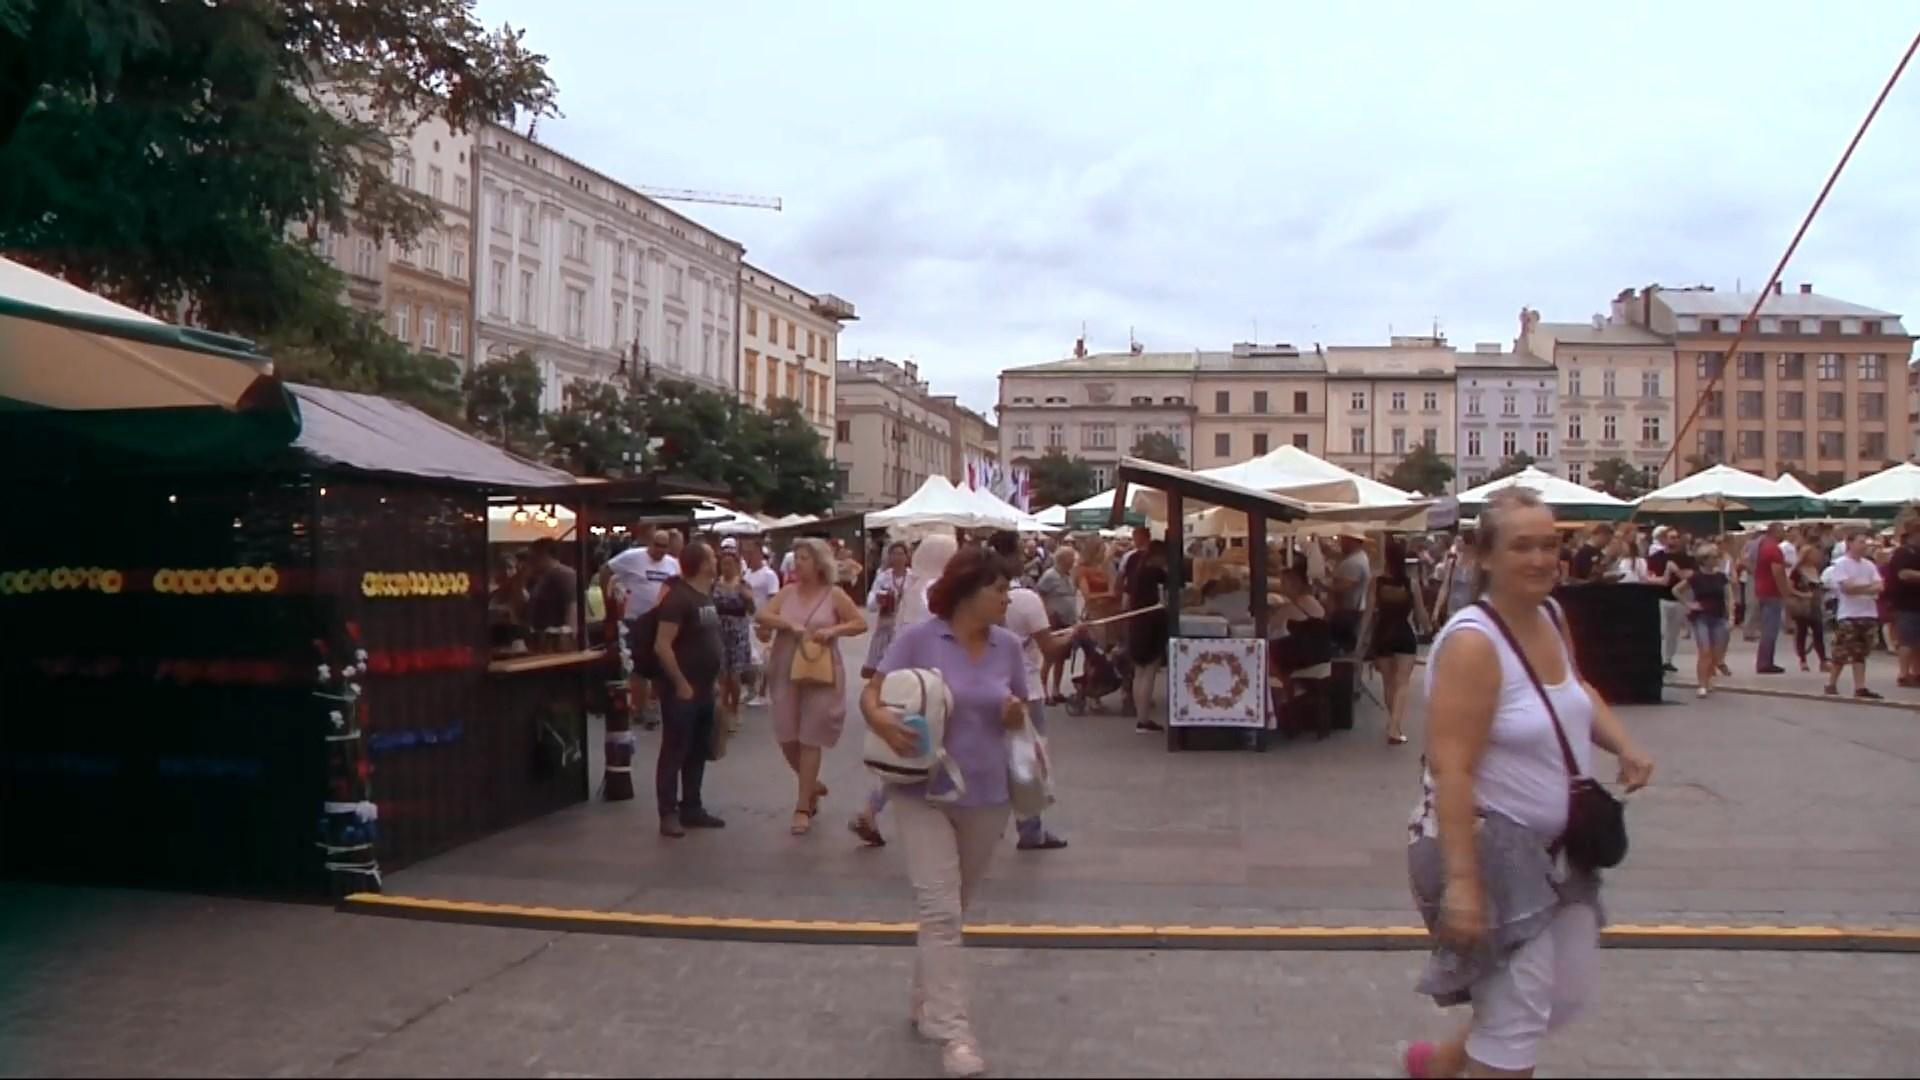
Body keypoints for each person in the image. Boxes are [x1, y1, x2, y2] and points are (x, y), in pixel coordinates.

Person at [1403, 488, 1654, 1080]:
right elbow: (1451, 768)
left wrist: (1623, 743)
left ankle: (1437, 1065)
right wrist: (1464, 884)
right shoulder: (1472, 644)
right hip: (1496, 855)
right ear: (1484, 556)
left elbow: (1576, 690)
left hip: (1560, 853)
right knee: (1515, 1020)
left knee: (1563, 995)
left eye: (1550, 545)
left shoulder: (1549, 615)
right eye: (1523, 547)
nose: (1542, 559)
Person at [861, 547, 1030, 1079]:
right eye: (999, 589)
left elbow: (1024, 709)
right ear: (967, 592)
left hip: (988, 794)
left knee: (954, 905)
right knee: (941, 912)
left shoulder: (1008, 646)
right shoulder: (918, 638)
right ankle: (954, 1032)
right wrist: (884, 722)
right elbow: (872, 692)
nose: (1008, 598)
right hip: (922, 791)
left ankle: (925, 995)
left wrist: (1014, 714)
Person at [849, 533, 959, 848]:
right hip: (933, 680)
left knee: (911, 744)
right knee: (929, 746)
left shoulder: (914, 586)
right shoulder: (936, 590)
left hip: (905, 677)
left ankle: (870, 810)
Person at [758, 537, 868, 835]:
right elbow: (763, 614)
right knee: (786, 735)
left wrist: (833, 630)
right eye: (796, 557)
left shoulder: (834, 594)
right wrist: (786, 625)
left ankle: (802, 805)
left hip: (820, 669)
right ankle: (812, 785)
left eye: (804, 557)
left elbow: (859, 623)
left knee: (810, 736)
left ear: (819, 563)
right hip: (784, 667)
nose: (798, 562)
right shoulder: (787, 592)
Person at [988, 531, 1075, 851]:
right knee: (1027, 759)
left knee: (987, 756)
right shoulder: (1025, 600)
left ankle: (987, 823)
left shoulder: (972, 598)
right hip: (1025, 688)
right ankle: (1030, 828)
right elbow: (1049, 647)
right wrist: (1071, 636)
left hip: (984, 686)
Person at [651, 541, 726, 838]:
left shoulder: (704, 596)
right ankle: (667, 812)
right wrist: (680, 682)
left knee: (697, 749)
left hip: (704, 687)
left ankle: (691, 806)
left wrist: (715, 680)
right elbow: (662, 644)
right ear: (703, 563)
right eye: (712, 556)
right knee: (675, 749)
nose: (717, 560)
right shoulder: (678, 598)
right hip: (682, 689)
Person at [603, 527, 681, 728]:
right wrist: (608, 596)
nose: (660, 550)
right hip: (635, 619)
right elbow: (606, 569)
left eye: (664, 547)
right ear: (650, 544)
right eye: (657, 545)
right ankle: (639, 706)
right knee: (637, 665)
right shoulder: (632, 557)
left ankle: (653, 705)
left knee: (659, 664)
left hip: (661, 620)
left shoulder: (673, 564)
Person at [1370, 536, 1427, 745]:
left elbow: (1368, 613)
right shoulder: (1411, 583)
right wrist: (1429, 627)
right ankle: (1394, 727)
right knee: (1402, 683)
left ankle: (1393, 723)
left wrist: (1361, 643)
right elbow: (1420, 613)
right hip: (1404, 634)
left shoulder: (1376, 583)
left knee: (1388, 682)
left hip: (1383, 634)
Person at [1822, 531, 1885, 700]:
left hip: (1868, 613)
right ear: (1849, 543)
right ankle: (1831, 683)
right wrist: (1868, 588)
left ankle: (1860, 686)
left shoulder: (1869, 565)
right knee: (1842, 650)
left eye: (1865, 542)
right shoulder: (1841, 564)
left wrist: (1861, 588)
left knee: (1860, 652)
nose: (1864, 545)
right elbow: (1847, 589)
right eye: (1860, 542)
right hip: (1849, 614)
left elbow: (1880, 586)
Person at [1126, 539, 1171, 733]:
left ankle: (1141, 718)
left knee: (1139, 672)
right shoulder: (1156, 573)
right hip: (1151, 624)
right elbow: (1167, 596)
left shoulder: (1139, 570)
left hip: (1137, 623)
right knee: (1149, 672)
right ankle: (1144, 719)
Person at [1675, 544, 1732, 697]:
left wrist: (1731, 616)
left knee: (1716, 652)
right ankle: (1702, 685)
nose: (1716, 560)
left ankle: (1709, 677)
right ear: (1704, 560)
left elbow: (1729, 597)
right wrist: (1688, 604)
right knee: (1704, 651)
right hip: (1702, 617)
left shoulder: (1721, 577)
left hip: (1719, 616)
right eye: (1714, 557)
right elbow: (1676, 590)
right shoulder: (1696, 577)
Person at [711, 548, 757, 732]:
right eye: (724, 564)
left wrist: (747, 598)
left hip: (737, 632)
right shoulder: (714, 585)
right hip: (719, 631)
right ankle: (723, 711)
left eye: (730, 564)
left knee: (734, 675)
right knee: (722, 674)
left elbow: (752, 610)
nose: (727, 567)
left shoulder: (743, 584)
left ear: (737, 566)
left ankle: (735, 708)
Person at [1035, 545, 1080, 704]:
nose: (1073, 561)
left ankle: (1056, 690)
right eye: (1071, 558)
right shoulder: (1050, 576)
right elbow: (1040, 593)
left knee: (1061, 658)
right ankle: (1044, 692)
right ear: (1063, 560)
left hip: (1067, 622)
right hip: (1055, 620)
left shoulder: (1067, 576)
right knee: (1050, 657)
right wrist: (1047, 612)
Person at [863, 541, 913, 679]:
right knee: (881, 665)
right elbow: (870, 604)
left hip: (905, 626)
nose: (898, 557)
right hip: (885, 625)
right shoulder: (883, 577)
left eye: (901, 554)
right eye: (894, 554)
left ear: (907, 557)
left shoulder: (913, 578)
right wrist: (879, 600)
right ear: (890, 557)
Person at [741, 542, 782, 706]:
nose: (747, 557)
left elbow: (774, 598)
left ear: (758, 554)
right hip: (748, 621)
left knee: (765, 659)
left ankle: (764, 693)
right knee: (751, 659)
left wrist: (770, 622)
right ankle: (753, 690)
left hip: (763, 621)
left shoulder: (769, 575)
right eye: (745, 554)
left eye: (750, 553)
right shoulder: (746, 574)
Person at [1752, 521, 1790, 674]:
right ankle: (1765, 662)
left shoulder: (1762, 545)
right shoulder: (1773, 549)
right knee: (1770, 629)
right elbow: (1778, 573)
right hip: (1771, 592)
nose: (1784, 534)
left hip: (1762, 590)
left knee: (1768, 627)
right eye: (1782, 531)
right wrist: (1785, 593)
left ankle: (1765, 661)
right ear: (1775, 532)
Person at [1328, 533, 1372, 654]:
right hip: (1350, 611)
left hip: (1349, 612)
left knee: (1345, 649)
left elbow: (1343, 587)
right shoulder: (1357, 558)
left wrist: (1322, 586)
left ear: (1352, 541)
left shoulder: (1354, 562)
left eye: (1343, 540)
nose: (1341, 543)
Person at [1789, 543, 1828, 674]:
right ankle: (1803, 660)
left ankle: (1823, 660)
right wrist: (1803, 594)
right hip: (1803, 605)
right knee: (1802, 632)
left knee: (1818, 633)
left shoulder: (1816, 569)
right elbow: (1789, 587)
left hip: (1815, 605)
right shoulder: (1797, 571)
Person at [1891, 516, 1920, 689]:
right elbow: (1903, 574)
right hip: (1907, 603)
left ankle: (1917, 672)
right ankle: (1903, 673)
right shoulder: (1903, 552)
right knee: (1907, 640)